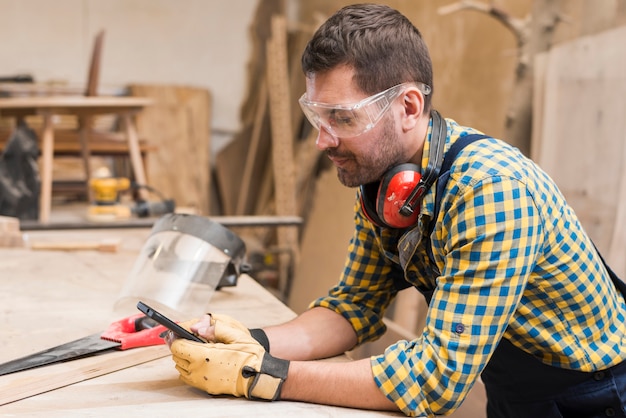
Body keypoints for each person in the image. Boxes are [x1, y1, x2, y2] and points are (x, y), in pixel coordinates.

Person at [166, 4, 626, 417]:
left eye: (342, 118)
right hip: (515, 389)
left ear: (408, 106)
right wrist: (247, 342)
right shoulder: (386, 181)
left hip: (596, 395)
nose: (323, 140)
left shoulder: (491, 190)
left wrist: (262, 376)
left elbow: (437, 380)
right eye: (317, 117)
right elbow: (353, 306)